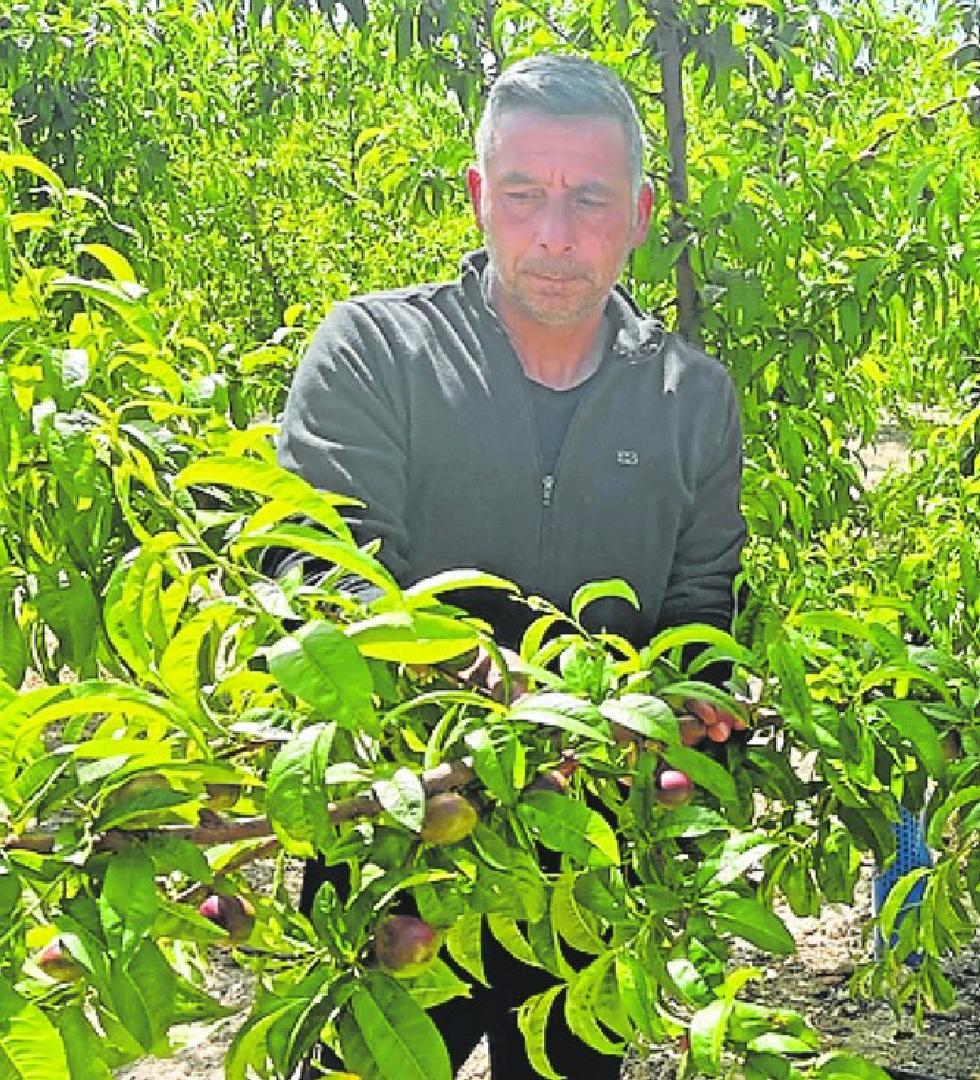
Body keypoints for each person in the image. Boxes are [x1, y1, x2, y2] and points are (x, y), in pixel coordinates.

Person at [276, 53, 745, 1079]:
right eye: (525, 195)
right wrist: (492, 695)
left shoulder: (691, 399)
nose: (555, 236)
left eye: (589, 200)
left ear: (642, 211)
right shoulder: (375, 352)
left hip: (587, 857)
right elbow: (324, 577)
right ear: (480, 195)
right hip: (398, 845)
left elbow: (703, 604)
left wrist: (695, 729)